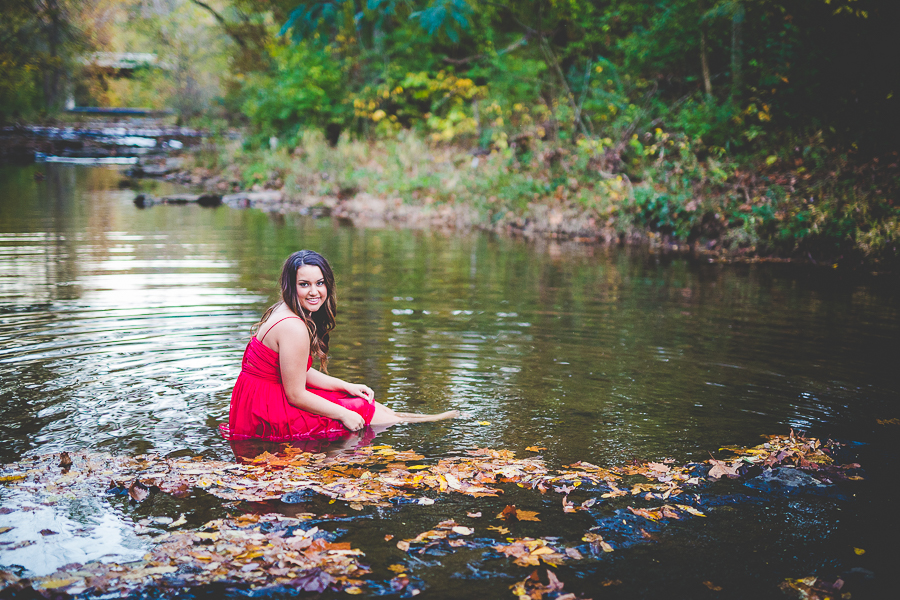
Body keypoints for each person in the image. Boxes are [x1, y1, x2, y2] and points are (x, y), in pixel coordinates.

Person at [220, 250, 458, 442]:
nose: (314, 292)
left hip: (256, 401)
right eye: (304, 284)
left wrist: (346, 385)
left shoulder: (282, 308)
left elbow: (296, 371)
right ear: (290, 286)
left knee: (360, 401)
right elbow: (295, 394)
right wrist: (344, 414)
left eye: (320, 283)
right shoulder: (294, 327)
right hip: (266, 412)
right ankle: (431, 425)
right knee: (359, 410)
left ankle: (424, 420)